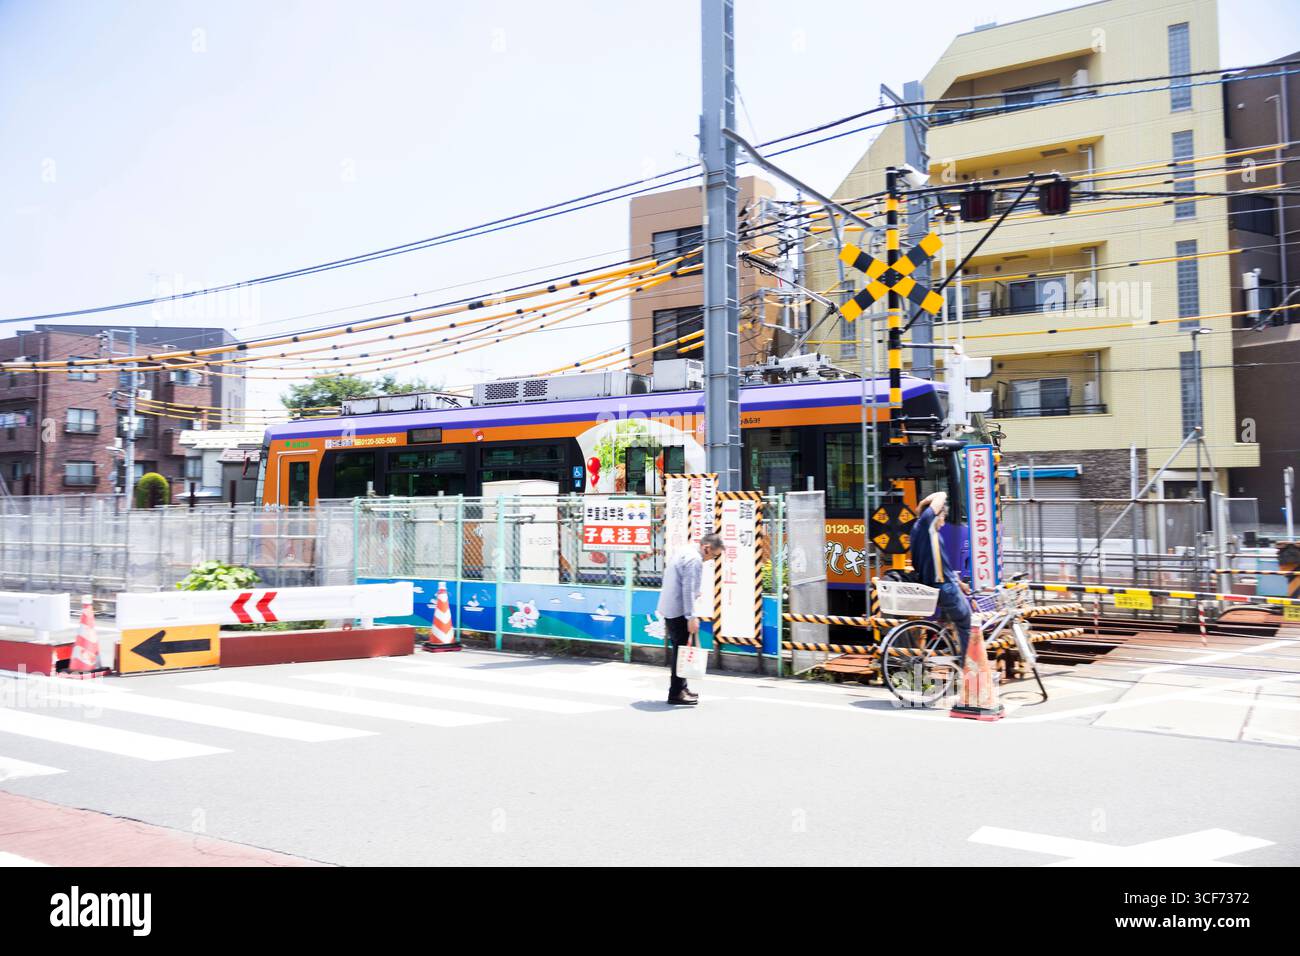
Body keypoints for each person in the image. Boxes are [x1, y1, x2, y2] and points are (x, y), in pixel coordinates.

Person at [657, 533, 724, 706]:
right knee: (681, 652)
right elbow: (687, 589)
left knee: (681, 650)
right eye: (713, 555)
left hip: (670, 606)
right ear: (706, 547)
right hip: (679, 610)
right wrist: (691, 617)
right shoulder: (694, 559)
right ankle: (676, 693)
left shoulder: (686, 550)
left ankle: (681, 688)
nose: (711, 560)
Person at [909, 491, 973, 663]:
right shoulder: (926, 526)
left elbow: (943, 567)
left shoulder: (923, 531)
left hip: (944, 586)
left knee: (950, 621)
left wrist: (960, 584)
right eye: (943, 515)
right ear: (936, 514)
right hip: (944, 588)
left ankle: (949, 646)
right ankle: (966, 665)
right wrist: (925, 502)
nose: (944, 521)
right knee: (967, 622)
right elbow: (942, 495)